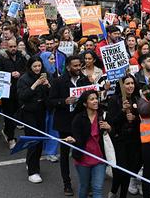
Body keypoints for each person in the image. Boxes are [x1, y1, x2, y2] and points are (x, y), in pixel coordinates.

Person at [48, 55, 91, 196]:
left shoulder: (84, 80)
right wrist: (64, 102)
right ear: (68, 67)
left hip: (81, 122)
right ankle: (67, 183)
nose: (78, 68)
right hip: (65, 123)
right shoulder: (58, 82)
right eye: (75, 66)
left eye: (80, 65)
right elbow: (50, 101)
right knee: (65, 154)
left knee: (84, 152)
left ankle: (87, 183)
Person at [106, 74, 142, 198]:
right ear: (122, 85)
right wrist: (122, 111)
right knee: (121, 170)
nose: (130, 86)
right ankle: (114, 190)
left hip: (134, 140)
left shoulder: (138, 99)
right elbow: (111, 121)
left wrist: (135, 118)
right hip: (119, 139)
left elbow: (143, 119)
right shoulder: (114, 99)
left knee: (128, 170)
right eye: (127, 83)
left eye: (132, 83)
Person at [17, 56, 52, 183]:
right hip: (28, 113)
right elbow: (22, 96)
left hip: (41, 112)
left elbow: (52, 94)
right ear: (30, 67)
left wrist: (48, 85)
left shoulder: (46, 76)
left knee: (40, 139)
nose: (37, 69)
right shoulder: (24, 79)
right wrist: (35, 85)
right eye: (35, 66)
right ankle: (33, 171)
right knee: (33, 140)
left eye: (39, 66)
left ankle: (31, 161)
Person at [70, 89, 110, 198]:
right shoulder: (78, 119)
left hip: (99, 158)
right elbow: (76, 139)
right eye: (92, 99)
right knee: (84, 186)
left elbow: (114, 133)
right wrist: (72, 140)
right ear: (84, 103)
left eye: (96, 98)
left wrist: (109, 128)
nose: (95, 101)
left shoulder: (103, 115)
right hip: (83, 159)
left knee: (97, 188)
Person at [0, 38, 28, 147]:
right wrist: (9, 74)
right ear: (6, 47)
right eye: (11, 47)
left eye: (14, 46)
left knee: (18, 115)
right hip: (7, 92)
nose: (13, 49)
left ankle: (7, 131)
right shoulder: (0, 59)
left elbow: (27, 70)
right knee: (9, 115)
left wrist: (20, 73)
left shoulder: (22, 57)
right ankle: (11, 138)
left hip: (20, 91)